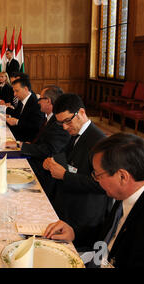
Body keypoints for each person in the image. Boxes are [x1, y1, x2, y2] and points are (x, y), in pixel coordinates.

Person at [44, 133, 144, 268]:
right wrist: (74, 232)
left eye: (98, 175)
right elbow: (110, 231)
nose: (96, 180)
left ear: (122, 176)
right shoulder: (131, 189)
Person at [42, 93, 110, 248]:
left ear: (81, 113)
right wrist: (52, 161)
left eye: (67, 121)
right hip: (69, 201)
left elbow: (102, 185)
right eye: (61, 123)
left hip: (85, 215)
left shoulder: (99, 141)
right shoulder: (76, 132)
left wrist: (65, 175)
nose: (65, 127)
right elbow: (68, 157)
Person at [6, 86, 71, 198]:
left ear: (48, 101)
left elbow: (49, 151)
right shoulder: (50, 118)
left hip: (44, 170)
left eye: (40, 99)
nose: (38, 102)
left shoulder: (59, 123)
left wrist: (20, 145)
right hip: (37, 158)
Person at [5, 78, 45, 142]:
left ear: (25, 89)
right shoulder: (22, 99)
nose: (14, 94)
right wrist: (8, 117)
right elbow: (17, 113)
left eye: (17, 91)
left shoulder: (35, 103)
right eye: (14, 91)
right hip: (19, 131)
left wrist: (16, 122)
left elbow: (36, 126)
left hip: (26, 139)